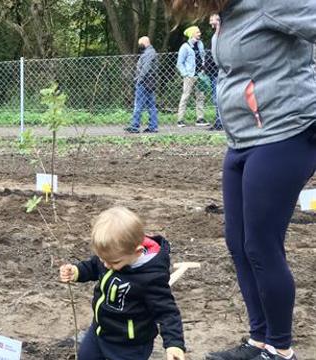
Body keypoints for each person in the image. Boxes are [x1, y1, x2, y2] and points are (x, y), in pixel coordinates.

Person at [170, 1, 316, 360]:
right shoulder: (232, 10)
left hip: (284, 135)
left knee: (262, 247)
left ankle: (280, 350)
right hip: (242, 141)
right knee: (238, 243)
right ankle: (259, 340)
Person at [59, 207, 185, 360]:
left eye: (113, 262)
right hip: (100, 330)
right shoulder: (112, 255)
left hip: (129, 345)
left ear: (137, 252)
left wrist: (174, 343)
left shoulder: (151, 277)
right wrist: (76, 272)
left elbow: (167, 312)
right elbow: (94, 266)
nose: (105, 265)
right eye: (102, 259)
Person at [125, 36, 159, 134]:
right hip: (150, 82)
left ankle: (135, 126)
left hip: (144, 82)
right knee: (151, 105)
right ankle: (153, 126)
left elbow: (146, 67)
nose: (139, 46)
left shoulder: (149, 53)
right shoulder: (150, 52)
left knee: (138, 104)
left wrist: (139, 79)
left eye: (140, 43)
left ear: (145, 42)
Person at [176, 26, 208, 128]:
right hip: (190, 76)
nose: (199, 34)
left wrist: (203, 70)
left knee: (201, 97)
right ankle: (180, 120)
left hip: (200, 75)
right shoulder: (185, 47)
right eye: (197, 32)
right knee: (185, 97)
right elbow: (179, 63)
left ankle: (200, 119)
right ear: (192, 34)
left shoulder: (200, 44)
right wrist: (185, 74)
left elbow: (203, 57)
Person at [206, 14, 223, 131]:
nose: (211, 21)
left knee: (219, 99)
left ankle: (221, 122)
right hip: (213, 72)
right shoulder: (215, 36)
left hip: (219, 72)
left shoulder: (221, 35)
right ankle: (219, 121)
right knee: (216, 99)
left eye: (213, 19)